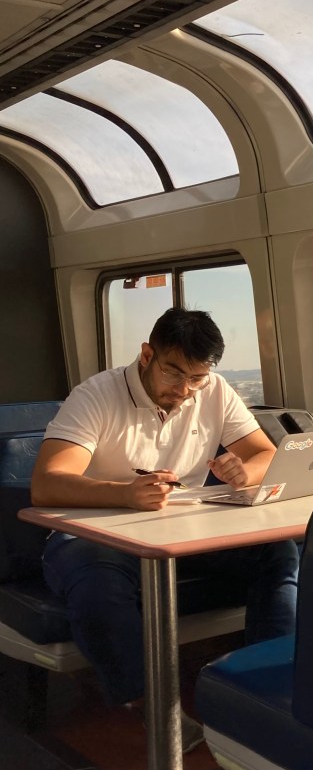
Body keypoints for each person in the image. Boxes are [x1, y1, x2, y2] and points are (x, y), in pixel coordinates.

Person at [31, 308, 298, 747]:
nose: (184, 390)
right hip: (92, 531)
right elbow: (46, 484)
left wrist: (243, 472)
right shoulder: (95, 395)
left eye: (197, 378)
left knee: (279, 552)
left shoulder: (211, 390)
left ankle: (265, 690)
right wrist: (124, 494)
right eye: (174, 373)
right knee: (97, 583)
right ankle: (155, 710)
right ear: (146, 355)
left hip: (181, 527)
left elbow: (266, 454)